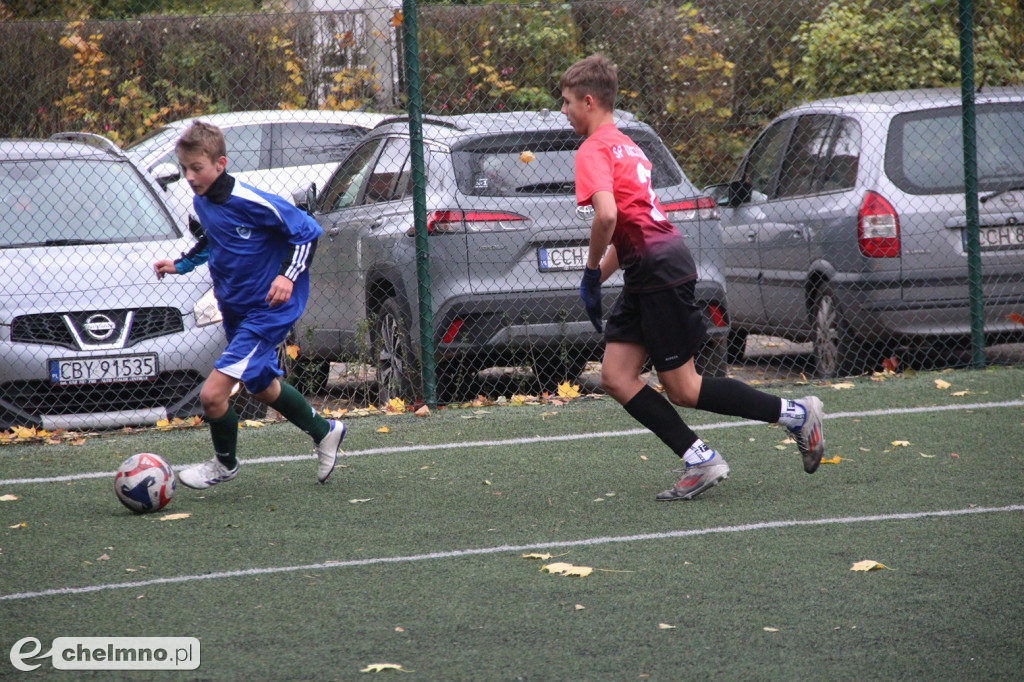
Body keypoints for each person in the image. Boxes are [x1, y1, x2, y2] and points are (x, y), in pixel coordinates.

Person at [560, 55, 825, 501]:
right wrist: (596, 277)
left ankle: (797, 414)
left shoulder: (591, 150)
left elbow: (607, 216)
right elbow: (631, 226)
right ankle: (699, 458)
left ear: (589, 101)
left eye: (566, 102)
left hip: (657, 272)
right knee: (615, 376)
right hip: (652, 268)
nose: (563, 111)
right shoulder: (626, 144)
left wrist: (589, 271)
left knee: (683, 388)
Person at [154, 121, 345, 490]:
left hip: (267, 310)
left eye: (197, 168)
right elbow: (213, 240)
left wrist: (287, 276)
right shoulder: (203, 201)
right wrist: (180, 265)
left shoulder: (250, 200)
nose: (190, 177)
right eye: (184, 169)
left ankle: (224, 465)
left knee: (212, 395)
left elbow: (307, 231)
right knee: (261, 386)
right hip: (236, 310)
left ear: (220, 163)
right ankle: (325, 431)